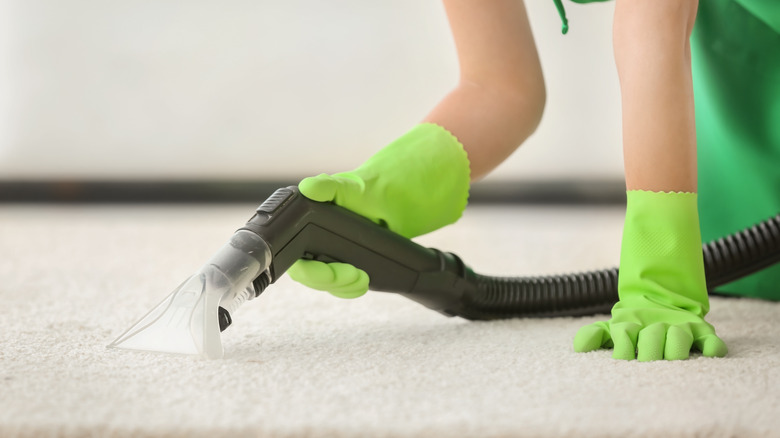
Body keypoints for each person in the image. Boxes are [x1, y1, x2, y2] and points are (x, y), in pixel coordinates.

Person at [286, 0, 780, 361]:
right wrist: (381, 193)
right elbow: (499, 87)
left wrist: (661, 278)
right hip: (739, 210)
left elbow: (651, 20)